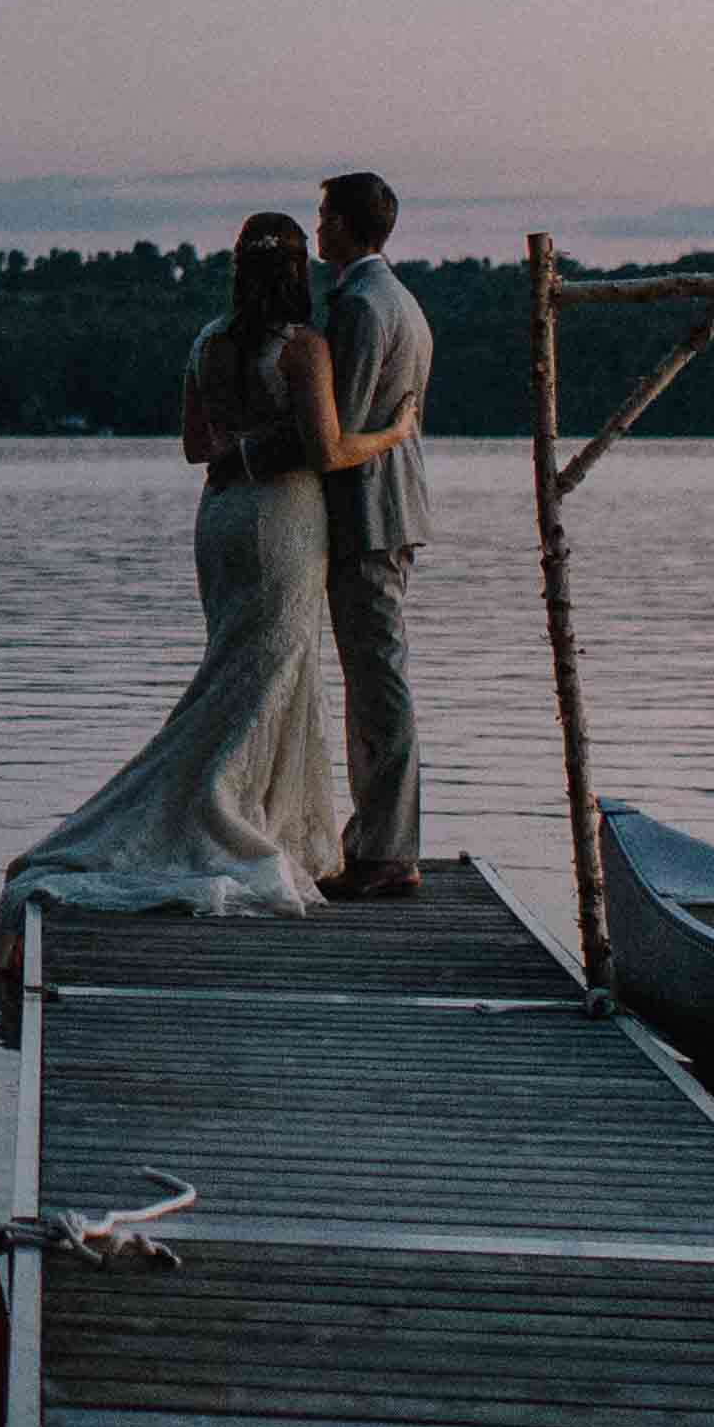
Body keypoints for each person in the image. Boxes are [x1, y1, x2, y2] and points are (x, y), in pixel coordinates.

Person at [0, 213, 419, 974]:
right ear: (296, 272)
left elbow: (196, 447)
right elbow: (327, 450)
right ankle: (227, 811)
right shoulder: (303, 347)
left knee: (235, 670)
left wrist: (237, 448)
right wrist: (395, 431)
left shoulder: (206, 342)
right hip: (284, 518)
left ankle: (239, 806)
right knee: (270, 675)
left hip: (219, 521)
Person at [310, 169, 434, 900]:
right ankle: (379, 839)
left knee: (379, 681)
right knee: (376, 677)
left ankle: (388, 849)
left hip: (367, 512)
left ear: (352, 227)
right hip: (392, 506)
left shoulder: (360, 305)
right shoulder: (402, 298)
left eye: (325, 217)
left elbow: (341, 426)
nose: (318, 228)